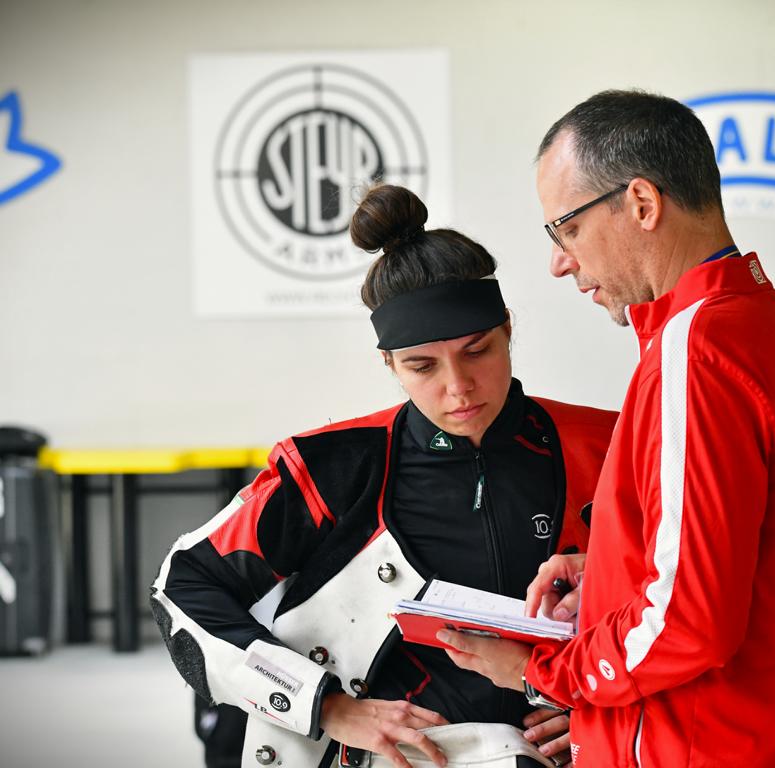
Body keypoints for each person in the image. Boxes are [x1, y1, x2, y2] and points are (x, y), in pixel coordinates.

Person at [439, 90, 775, 767]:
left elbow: (688, 623)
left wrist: (542, 673)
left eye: (566, 230)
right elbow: (763, 562)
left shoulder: (697, 352)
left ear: (641, 203)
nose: (559, 262)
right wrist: (608, 571)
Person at [151, 184, 617, 768]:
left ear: (508, 331)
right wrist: (324, 707)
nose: (458, 386)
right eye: (422, 365)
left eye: (478, 351)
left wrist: (600, 703)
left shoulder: (607, 444)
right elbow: (182, 586)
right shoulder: (331, 466)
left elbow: (677, 607)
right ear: (389, 363)